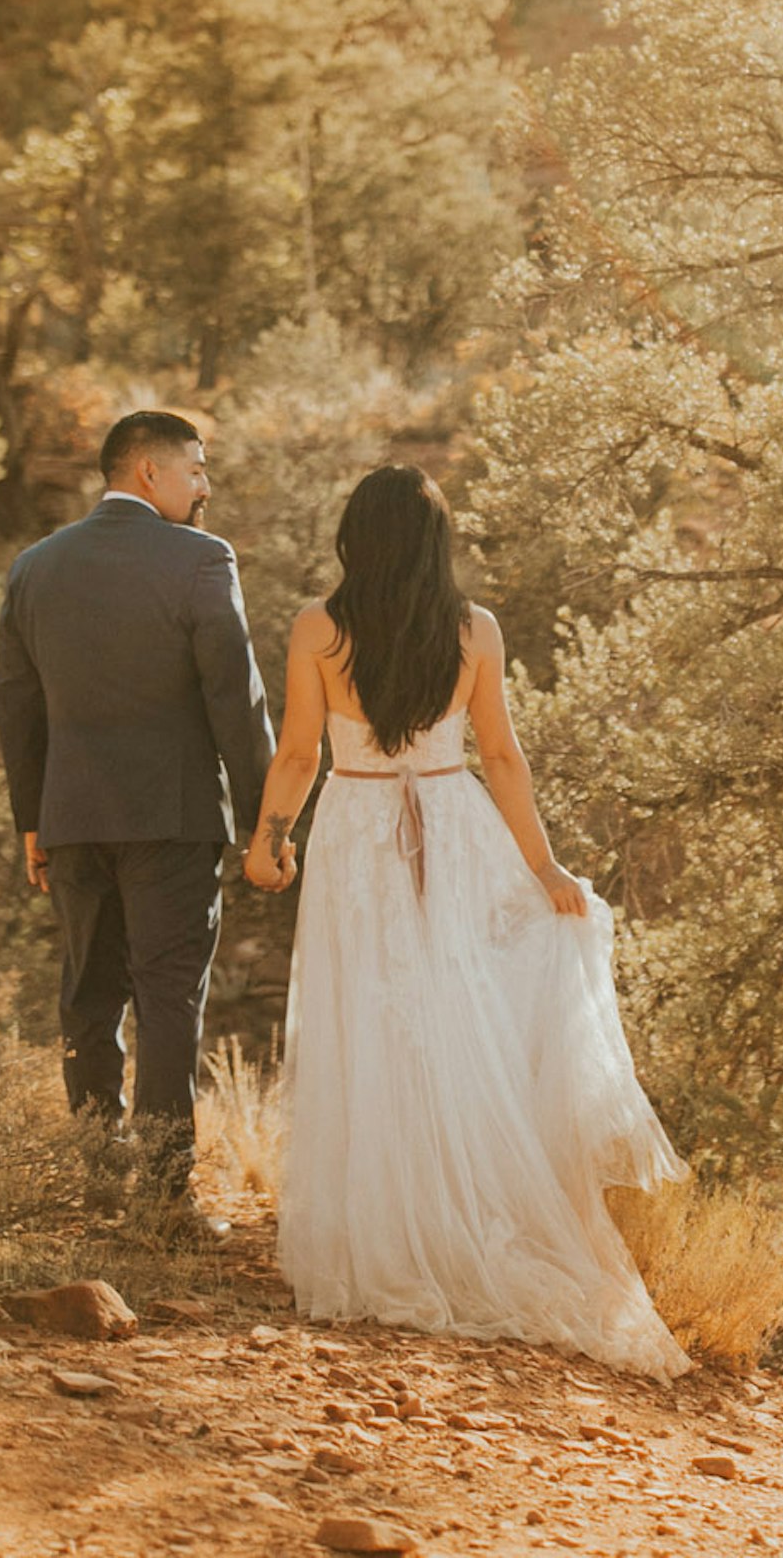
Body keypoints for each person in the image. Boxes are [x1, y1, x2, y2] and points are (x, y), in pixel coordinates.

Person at [243, 466, 688, 1374]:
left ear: (355, 538)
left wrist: (268, 840)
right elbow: (502, 757)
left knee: (370, 1019)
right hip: (454, 826)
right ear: (435, 542)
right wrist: (544, 868)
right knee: (459, 1011)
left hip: (358, 831)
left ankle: (388, 1231)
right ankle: (466, 1213)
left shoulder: (318, 628)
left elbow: (297, 753)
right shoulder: (473, 629)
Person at [0, 410, 272, 1228]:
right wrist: (267, 822)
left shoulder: (35, 566)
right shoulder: (200, 558)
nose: (205, 485)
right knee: (167, 1001)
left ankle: (100, 1175)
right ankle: (162, 1194)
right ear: (150, 471)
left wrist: (32, 820)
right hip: (172, 819)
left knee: (87, 994)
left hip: (71, 816)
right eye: (197, 468)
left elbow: (16, 705)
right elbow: (234, 696)